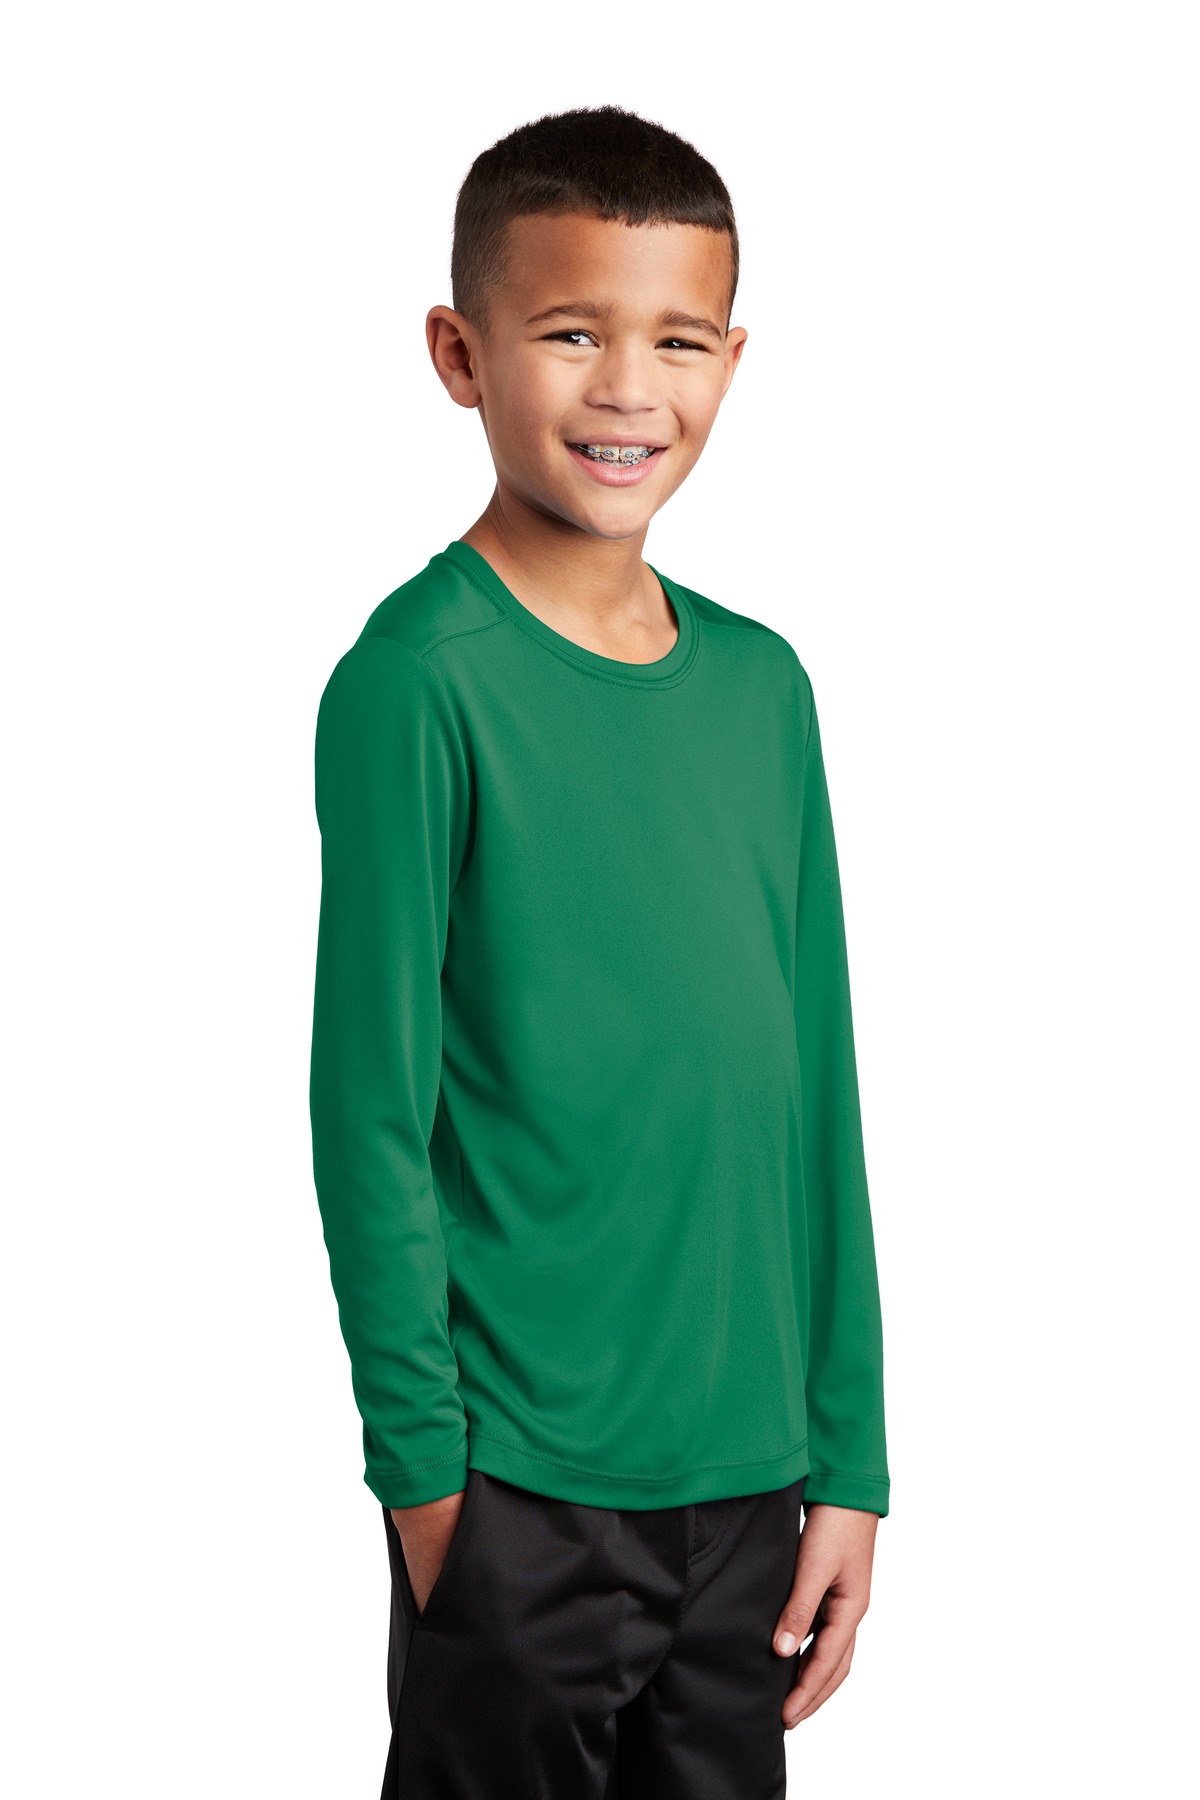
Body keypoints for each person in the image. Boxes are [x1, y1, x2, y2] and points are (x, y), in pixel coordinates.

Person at [309, 104, 890, 1800]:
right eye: (572, 333)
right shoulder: (420, 680)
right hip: (520, 1495)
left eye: (679, 341)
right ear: (461, 354)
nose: (630, 388)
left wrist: (847, 1459)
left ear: (732, 361)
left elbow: (814, 1093)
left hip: (748, 1489)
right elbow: (369, 1112)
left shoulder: (764, 691)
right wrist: (430, 1487)